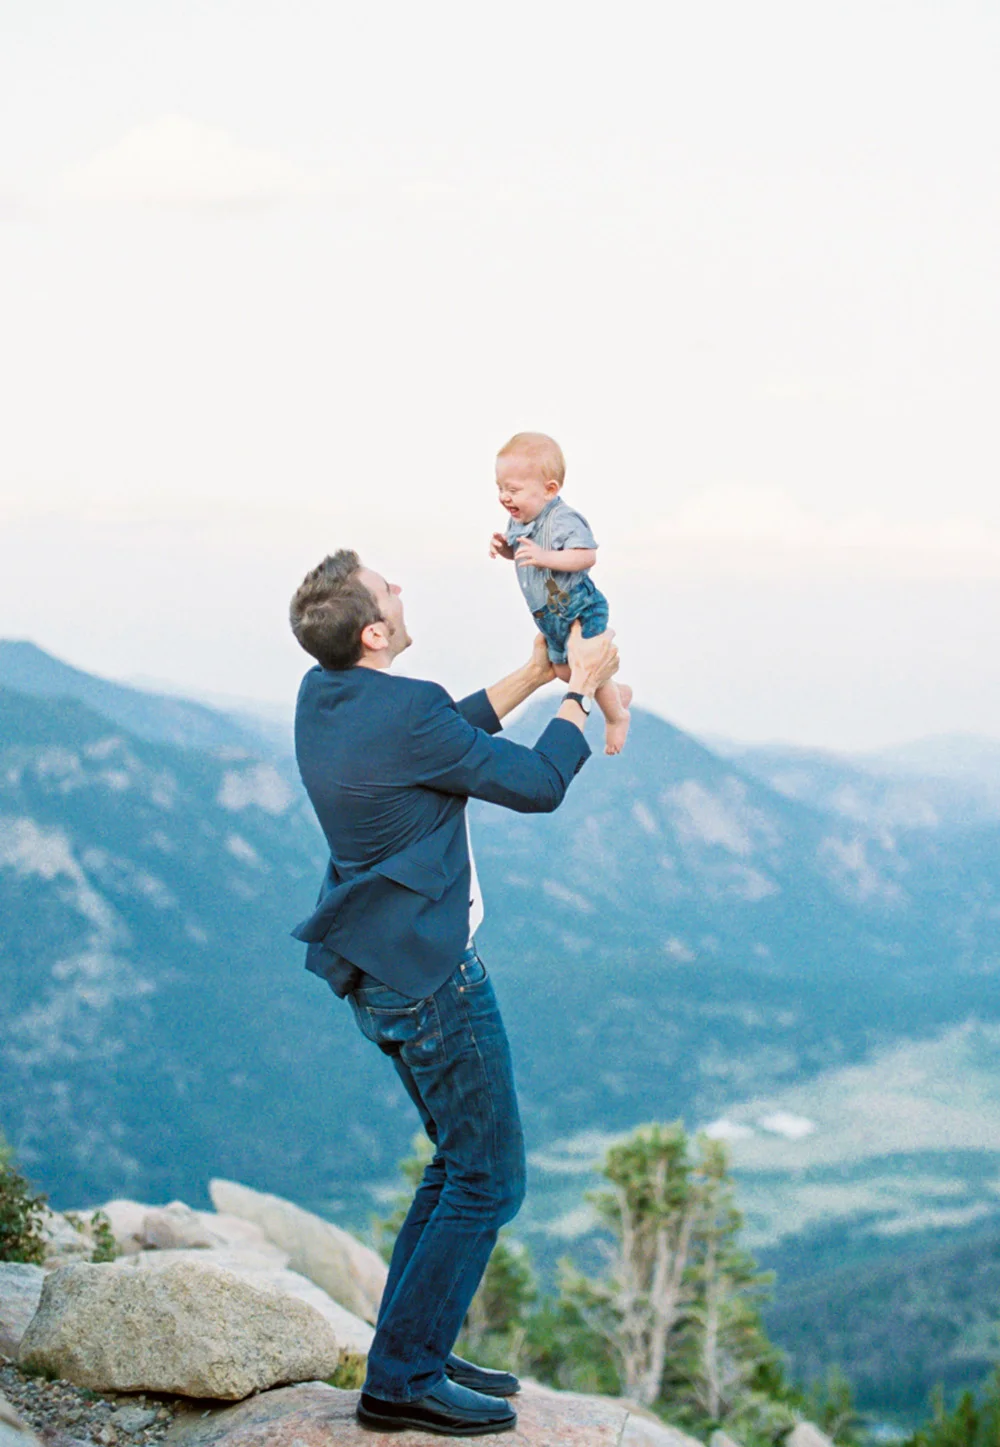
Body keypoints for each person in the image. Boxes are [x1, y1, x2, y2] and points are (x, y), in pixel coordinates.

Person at [288, 550, 619, 1438]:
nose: (402, 590)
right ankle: (400, 1381)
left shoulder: (325, 697)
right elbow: (538, 785)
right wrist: (578, 692)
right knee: (491, 1178)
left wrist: (532, 674)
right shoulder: (405, 709)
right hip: (435, 984)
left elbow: (443, 731)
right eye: (388, 588)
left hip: (379, 973)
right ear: (372, 630)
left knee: (455, 1163)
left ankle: (413, 1345)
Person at [490, 430, 632, 754]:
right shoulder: (519, 519)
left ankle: (616, 716)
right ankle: (617, 692)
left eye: (513, 489)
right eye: (499, 488)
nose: (504, 497)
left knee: (584, 667)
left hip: (581, 609)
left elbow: (586, 555)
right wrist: (506, 551)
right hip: (551, 618)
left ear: (549, 489)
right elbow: (524, 554)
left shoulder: (564, 519)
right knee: (565, 672)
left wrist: (546, 557)